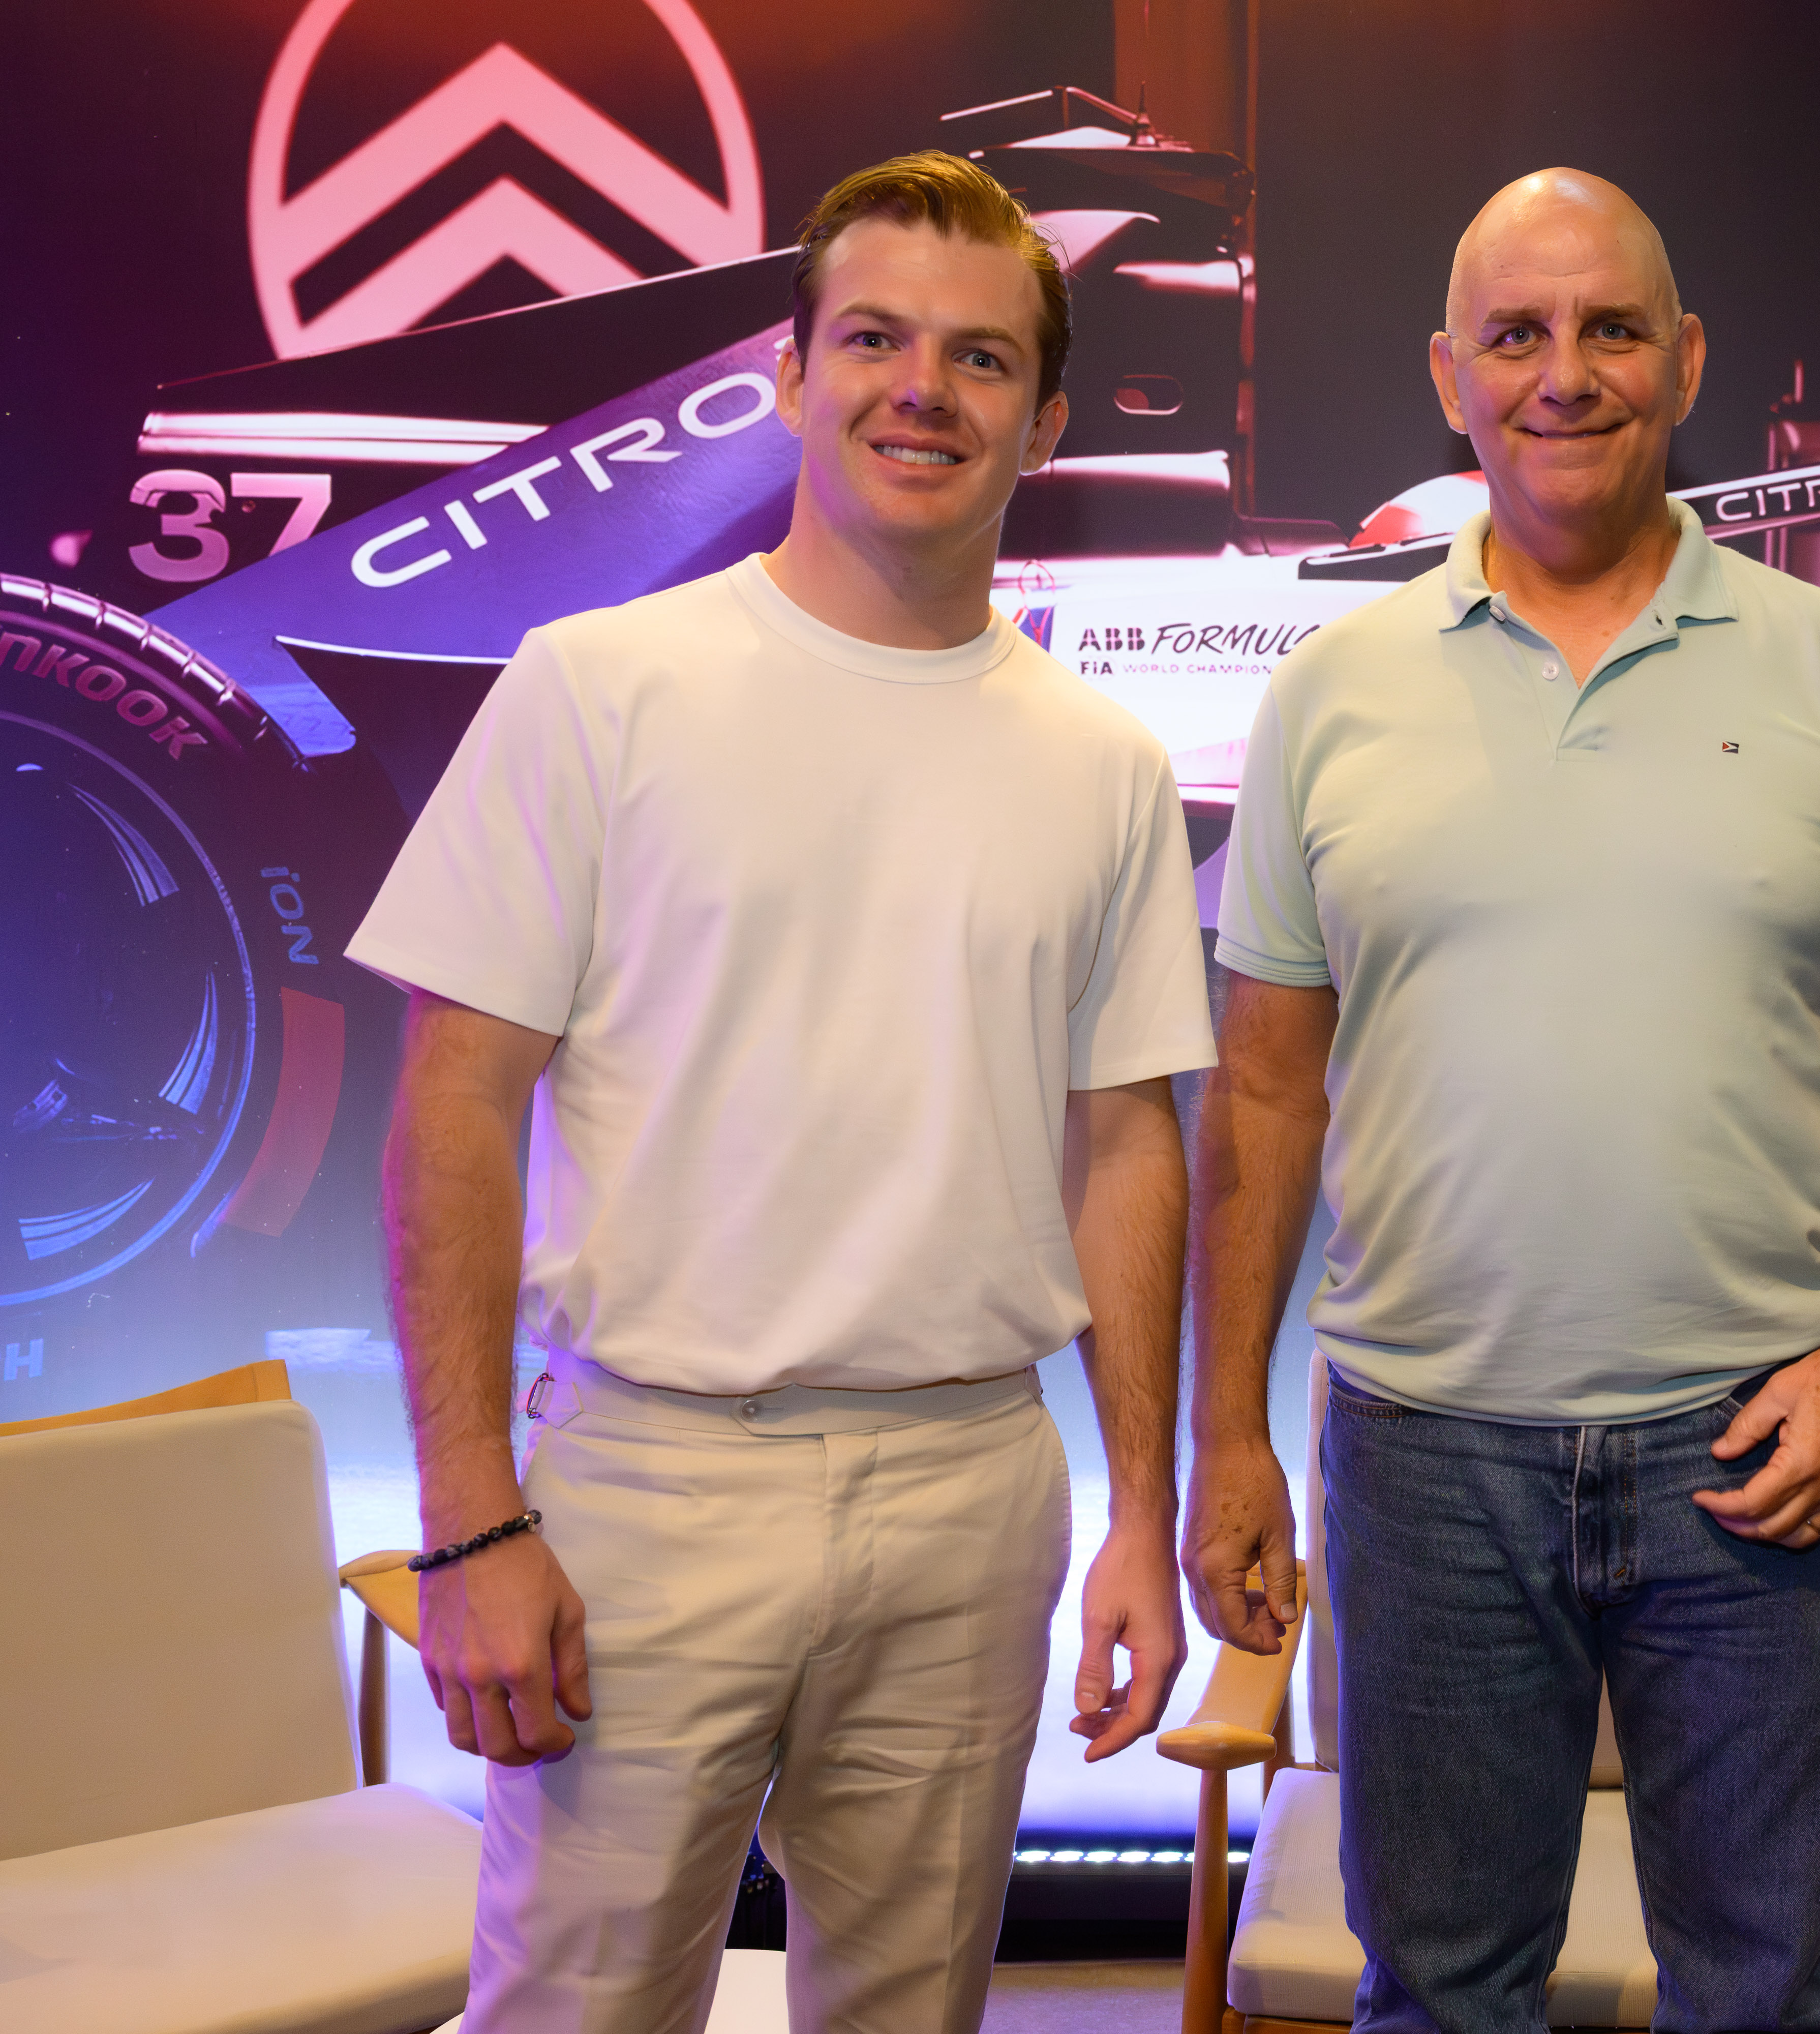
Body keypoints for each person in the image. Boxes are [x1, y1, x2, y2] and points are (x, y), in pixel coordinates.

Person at [348, 153, 1214, 2034]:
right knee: (576, 2012)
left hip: (973, 1492)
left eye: (982, 358)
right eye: (878, 340)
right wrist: (470, 1517)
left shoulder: (1103, 766)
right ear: (791, 374)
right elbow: (454, 1109)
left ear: (1047, 422)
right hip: (651, 1485)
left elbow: (1126, 1147)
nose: (926, 390)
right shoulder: (600, 689)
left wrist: (1139, 1515)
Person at [1184, 168, 1820, 2034]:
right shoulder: (1330, 693)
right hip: (1425, 1463)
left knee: (1766, 1997)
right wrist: (1226, 1436)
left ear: (1687, 360)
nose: (1567, 374)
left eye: (1613, 329)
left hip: (1760, 1452)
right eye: (1519, 335)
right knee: (1441, 1997)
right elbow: (1263, 1093)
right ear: (1449, 377)